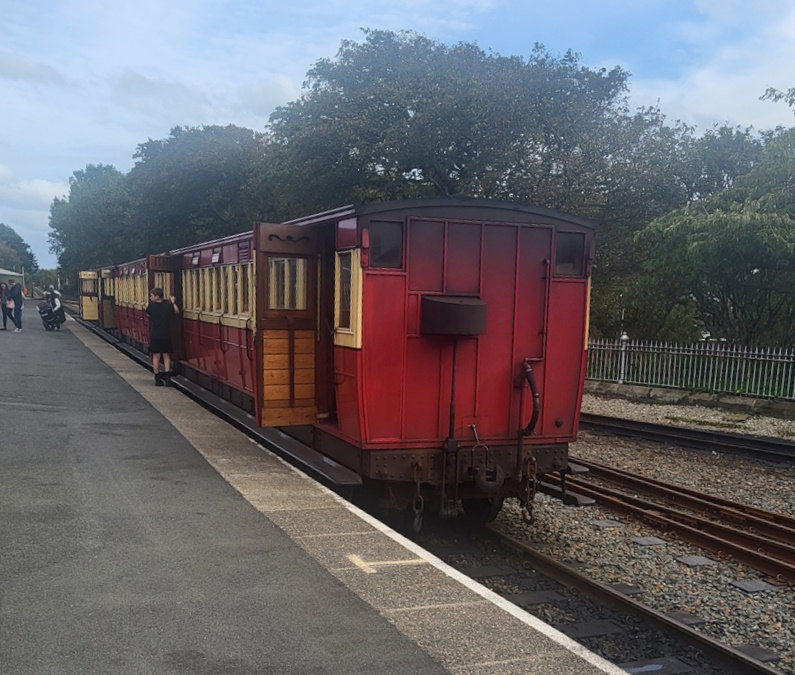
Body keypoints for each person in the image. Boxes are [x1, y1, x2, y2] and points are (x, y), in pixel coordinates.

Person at [145, 287, 180, 386]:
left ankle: (157, 378)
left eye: (151, 296)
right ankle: (167, 378)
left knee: (156, 356)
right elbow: (177, 311)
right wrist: (173, 302)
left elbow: (148, 314)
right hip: (165, 334)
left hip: (155, 334)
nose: (150, 298)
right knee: (166, 356)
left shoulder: (151, 306)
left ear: (157, 297)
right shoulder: (167, 306)